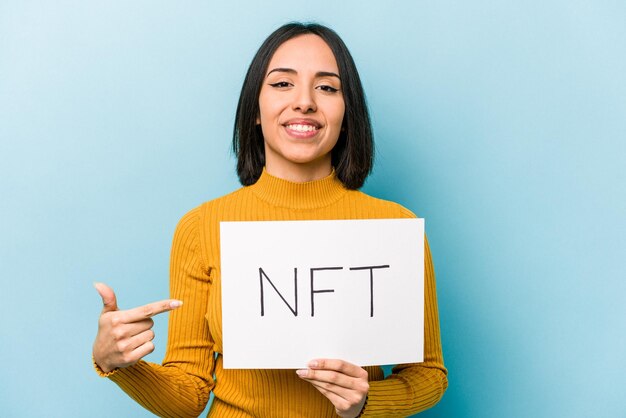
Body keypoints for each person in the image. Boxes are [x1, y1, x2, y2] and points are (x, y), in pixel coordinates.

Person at [92, 22, 448, 418]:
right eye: (282, 84)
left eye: (327, 87)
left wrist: (365, 402)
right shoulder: (202, 226)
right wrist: (118, 364)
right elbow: (188, 396)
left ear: (347, 115)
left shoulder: (392, 228)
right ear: (255, 111)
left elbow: (428, 375)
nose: (305, 102)